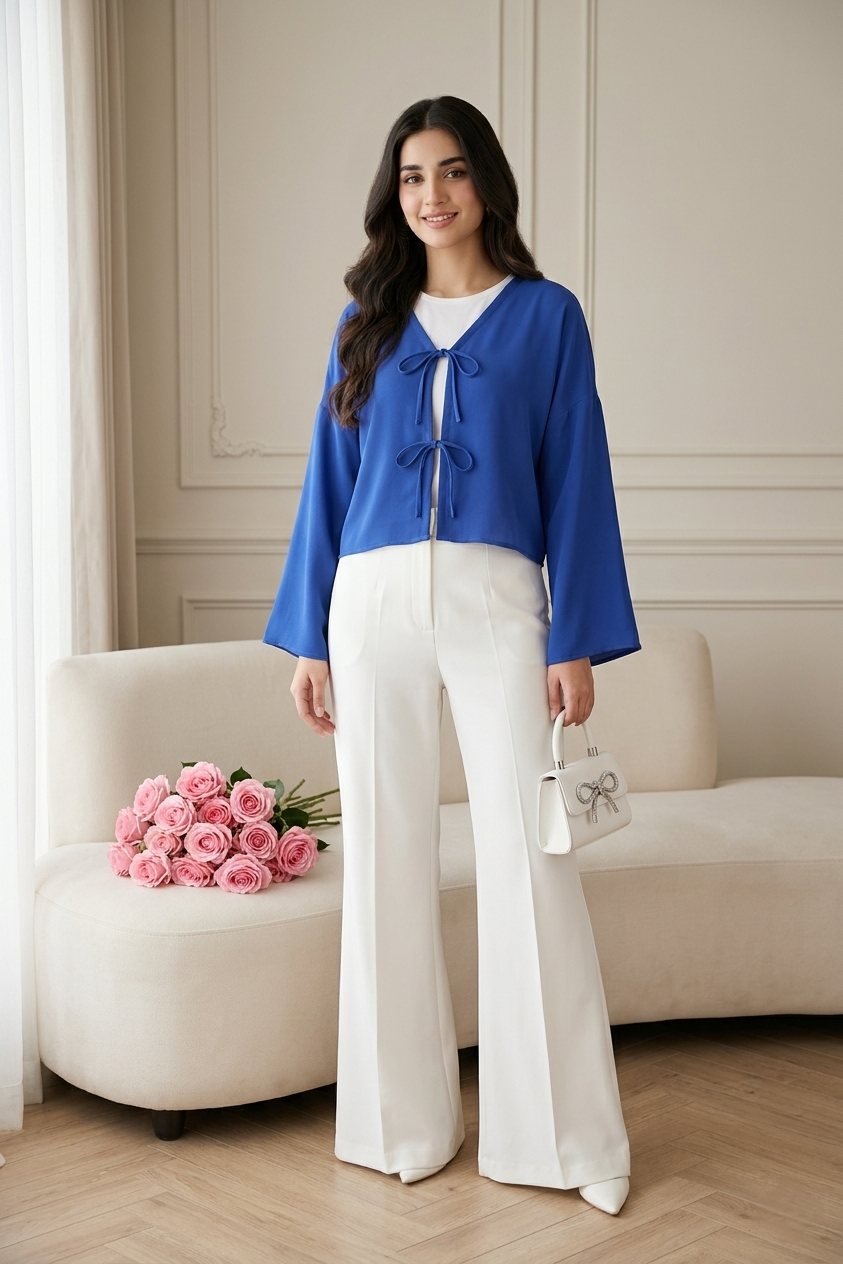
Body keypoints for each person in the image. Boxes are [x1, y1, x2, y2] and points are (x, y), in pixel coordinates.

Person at [264, 96, 640, 1216]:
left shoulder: (546, 317)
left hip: (496, 599)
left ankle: (565, 1140)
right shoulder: (364, 320)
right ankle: (397, 1125)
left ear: (487, 187)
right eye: (413, 175)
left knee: (532, 855)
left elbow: (579, 478)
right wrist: (305, 635)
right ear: (396, 195)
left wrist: (575, 638)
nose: (432, 194)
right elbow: (327, 483)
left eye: (453, 171)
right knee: (382, 856)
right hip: (370, 604)